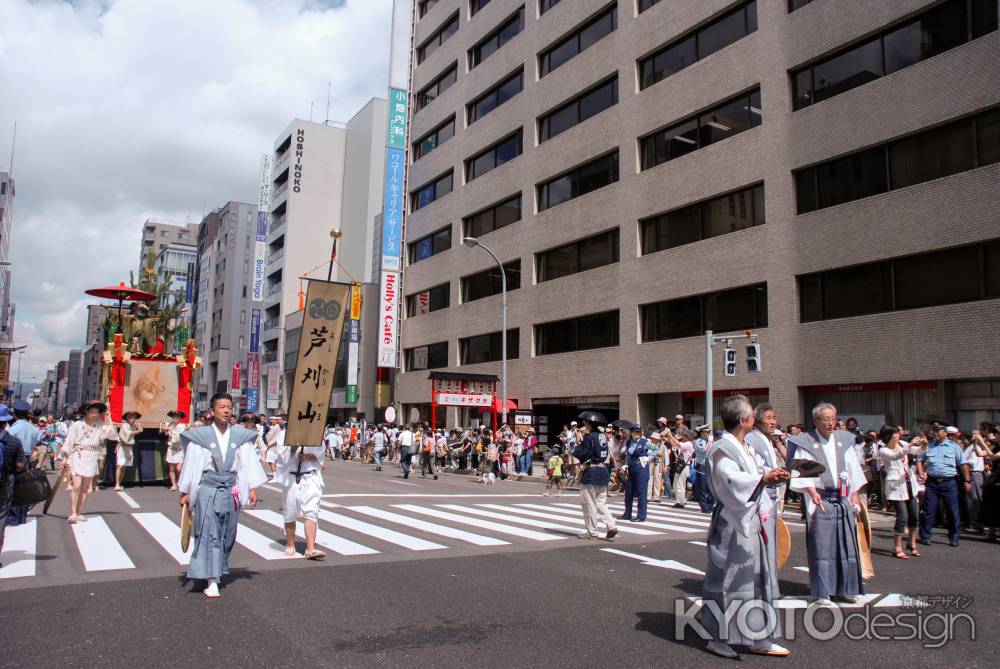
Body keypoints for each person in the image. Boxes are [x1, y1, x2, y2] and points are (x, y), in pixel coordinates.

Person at [701, 395, 789, 659]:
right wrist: (762, 478)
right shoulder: (722, 449)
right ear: (743, 420)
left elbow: (748, 480)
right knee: (725, 579)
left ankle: (759, 636)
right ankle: (718, 637)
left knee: (758, 577)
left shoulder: (743, 446)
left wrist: (767, 478)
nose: (757, 416)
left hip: (751, 516)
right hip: (732, 521)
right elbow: (731, 479)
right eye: (752, 413)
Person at [177, 393, 268, 598]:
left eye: (229, 407)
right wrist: (186, 492)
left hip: (230, 489)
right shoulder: (200, 437)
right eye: (221, 407)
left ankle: (210, 569)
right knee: (210, 533)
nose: (226, 410)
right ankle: (213, 580)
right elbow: (192, 467)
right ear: (212, 411)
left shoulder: (240, 436)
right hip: (208, 489)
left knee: (228, 533)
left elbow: (246, 465)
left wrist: (251, 488)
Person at [788, 402, 867, 605]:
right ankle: (822, 592)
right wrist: (812, 491)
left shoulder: (843, 440)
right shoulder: (806, 441)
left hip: (843, 497)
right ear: (815, 421)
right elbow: (802, 470)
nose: (831, 423)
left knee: (846, 544)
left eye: (833, 418)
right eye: (826, 419)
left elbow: (853, 470)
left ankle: (845, 588)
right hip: (821, 498)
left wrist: (855, 493)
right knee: (822, 547)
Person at [916, 421, 971, 548]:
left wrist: (967, 481)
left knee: (952, 511)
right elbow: (920, 460)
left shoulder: (954, 446)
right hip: (932, 482)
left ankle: (954, 537)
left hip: (949, 482)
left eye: (938, 430)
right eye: (934, 430)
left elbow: (962, 464)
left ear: (945, 432)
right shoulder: (928, 446)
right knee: (929, 510)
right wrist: (920, 472)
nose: (935, 433)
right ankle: (925, 536)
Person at [61, 401, 117, 523]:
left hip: (92, 456)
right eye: (92, 412)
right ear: (86, 412)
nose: (94, 415)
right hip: (78, 454)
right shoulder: (77, 425)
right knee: (76, 486)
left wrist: (108, 419)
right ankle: (73, 513)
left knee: (86, 487)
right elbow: (69, 441)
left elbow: (112, 436)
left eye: (97, 413)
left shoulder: (101, 425)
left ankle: (79, 512)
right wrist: (65, 458)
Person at [277, 434, 327, 560]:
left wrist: (311, 456)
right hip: (291, 478)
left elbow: (321, 453)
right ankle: (290, 544)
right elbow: (282, 457)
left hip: (311, 477)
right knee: (290, 512)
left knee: (312, 511)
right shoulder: (284, 434)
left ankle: (310, 548)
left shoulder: (316, 432)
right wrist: (293, 447)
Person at [745, 403, 783, 565]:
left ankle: (767, 578)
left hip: (772, 493)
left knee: (769, 538)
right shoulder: (752, 440)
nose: (773, 422)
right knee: (761, 537)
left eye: (774, 418)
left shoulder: (769, 440)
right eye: (768, 418)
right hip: (762, 494)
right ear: (757, 421)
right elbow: (753, 469)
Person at [571, 411, 618, 540]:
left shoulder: (590, 437)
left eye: (585, 422)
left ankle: (592, 532)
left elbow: (580, 453)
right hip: (603, 471)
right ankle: (611, 525)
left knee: (589, 504)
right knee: (601, 502)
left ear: (589, 423)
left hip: (591, 471)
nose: (583, 424)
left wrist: (578, 443)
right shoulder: (602, 436)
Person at [877, 424, 922, 559]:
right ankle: (897, 547)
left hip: (909, 483)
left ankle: (912, 544)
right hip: (896, 485)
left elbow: (917, 451)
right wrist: (909, 446)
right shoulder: (883, 450)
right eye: (895, 434)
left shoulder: (902, 443)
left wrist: (923, 445)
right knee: (902, 516)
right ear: (889, 436)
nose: (898, 435)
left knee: (914, 515)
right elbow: (895, 456)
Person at [0, 405, 27, 562]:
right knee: (2, 517)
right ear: (6, 422)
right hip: (5, 482)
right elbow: (20, 465)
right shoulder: (13, 441)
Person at [621, 424, 651, 522]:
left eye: (639, 431)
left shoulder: (645, 442)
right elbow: (628, 456)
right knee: (628, 492)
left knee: (641, 492)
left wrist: (648, 458)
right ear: (632, 433)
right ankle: (627, 513)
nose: (638, 433)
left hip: (641, 467)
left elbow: (656, 451)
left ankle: (641, 515)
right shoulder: (629, 442)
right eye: (636, 431)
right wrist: (625, 464)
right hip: (631, 467)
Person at [964, 430, 989, 532]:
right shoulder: (972, 448)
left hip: (974, 474)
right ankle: (977, 523)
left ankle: (976, 524)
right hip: (975, 474)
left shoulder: (973, 449)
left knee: (974, 499)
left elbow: (970, 462)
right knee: (975, 498)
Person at [114, 411, 144, 491]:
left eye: (134, 417)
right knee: (119, 465)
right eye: (131, 417)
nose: (133, 419)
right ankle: (117, 484)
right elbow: (128, 433)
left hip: (129, 447)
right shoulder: (125, 425)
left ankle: (119, 483)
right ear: (127, 417)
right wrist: (139, 430)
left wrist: (138, 427)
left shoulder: (133, 425)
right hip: (122, 447)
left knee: (124, 467)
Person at [161, 410, 187, 491]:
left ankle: (178, 482)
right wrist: (165, 429)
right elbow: (163, 431)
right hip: (171, 448)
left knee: (179, 468)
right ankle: (173, 484)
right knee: (171, 468)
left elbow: (179, 436)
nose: (176, 418)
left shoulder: (181, 426)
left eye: (177, 417)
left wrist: (170, 430)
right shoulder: (170, 424)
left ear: (180, 418)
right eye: (174, 416)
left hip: (179, 448)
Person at [692, 425, 715, 513]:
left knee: (710, 486)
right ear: (702, 433)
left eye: (709, 432)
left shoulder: (710, 441)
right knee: (702, 486)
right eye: (706, 432)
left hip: (710, 464)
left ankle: (710, 504)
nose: (708, 434)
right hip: (701, 464)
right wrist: (710, 442)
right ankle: (704, 506)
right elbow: (704, 450)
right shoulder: (699, 441)